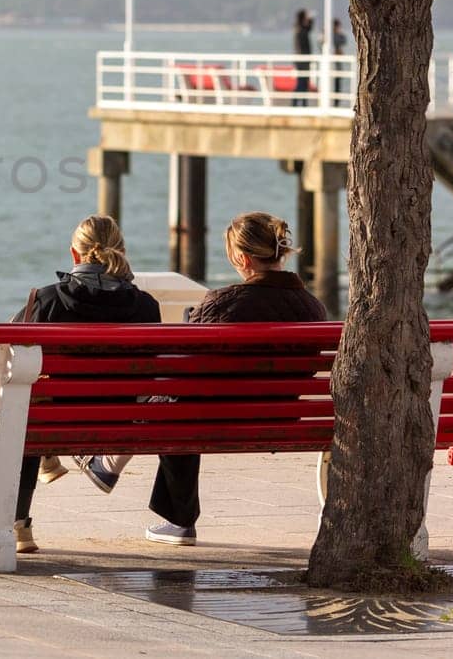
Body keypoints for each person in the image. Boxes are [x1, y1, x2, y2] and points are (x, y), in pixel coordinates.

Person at [109, 211, 326, 546]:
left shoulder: (227, 301)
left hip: (220, 417)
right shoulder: (313, 308)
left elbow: (185, 364)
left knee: (176, 400)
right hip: (281, 413)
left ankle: (175, 516)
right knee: (183, 398)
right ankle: (121, 470)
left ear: (242, 258)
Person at [9, 215, 161, 554]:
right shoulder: (147, 307)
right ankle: (48, 458)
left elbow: (8, 355)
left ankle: (20, 526)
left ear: (75, 255)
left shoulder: (46, 301)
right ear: (120, 250)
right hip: (120, 420)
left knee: (26, 406)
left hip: (55, 421)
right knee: (34, 407)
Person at [292, 9, 314, 105]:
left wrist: (310, 20)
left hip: (303, 60)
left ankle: (303, 104)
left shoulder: (300, 28)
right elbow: (307, 29)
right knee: (301, 83)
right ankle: (295, 104)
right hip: (302, 61)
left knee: (304, 83)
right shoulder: (299, 29)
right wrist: (304, 58)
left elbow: (308, 28)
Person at [330, 19, 348, 97]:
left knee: (337, 80)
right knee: (336, 80)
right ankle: (336, 100)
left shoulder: (332, 35)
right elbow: (342, 41)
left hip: (336, 61)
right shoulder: (333, 35)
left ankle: (336, 99)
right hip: (334, 61)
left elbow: (344, 41)